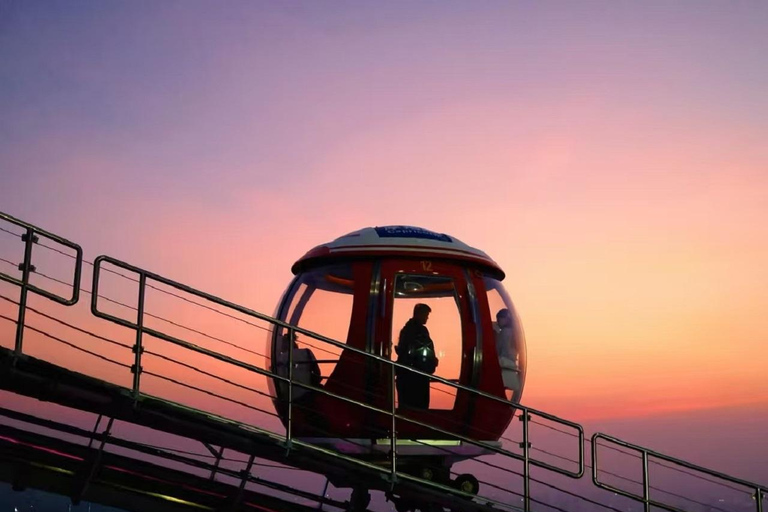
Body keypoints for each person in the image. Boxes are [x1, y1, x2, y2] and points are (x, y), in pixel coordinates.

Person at [395, 303, 439, 409]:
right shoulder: (420, 331)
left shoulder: (406, 330)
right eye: (425, 315)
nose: (427, 318)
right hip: (417, 379)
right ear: (419, 314)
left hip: (406, 377)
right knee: (418, 409)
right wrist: (432, 362)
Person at [494, 308, 521, 398]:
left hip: (503, 363)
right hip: (511, 365)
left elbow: (498, 348)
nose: (498, 321)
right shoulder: (515, 332)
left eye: (500, 318)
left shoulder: (505, 332)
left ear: (506, 319)